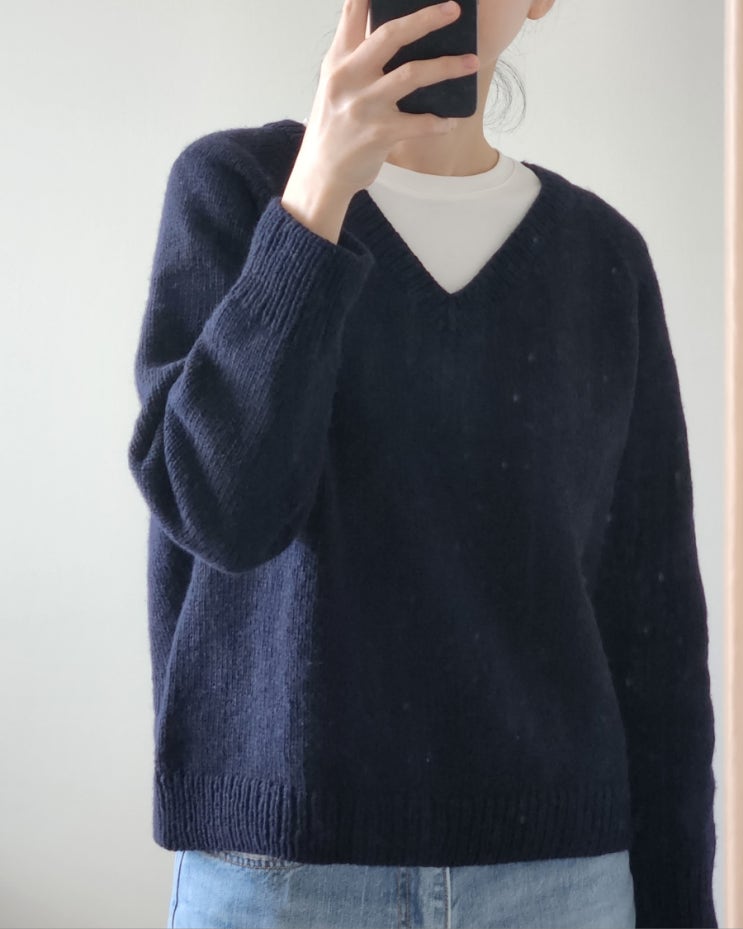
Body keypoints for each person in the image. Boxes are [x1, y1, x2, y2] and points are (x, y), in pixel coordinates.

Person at [126, 0, 718, 926]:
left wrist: (680, 902)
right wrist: (315, 200)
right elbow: (223, 515)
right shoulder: (233, 192)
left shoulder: (603, 258)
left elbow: (656, 629)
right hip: (281, 876)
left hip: (558, 883)